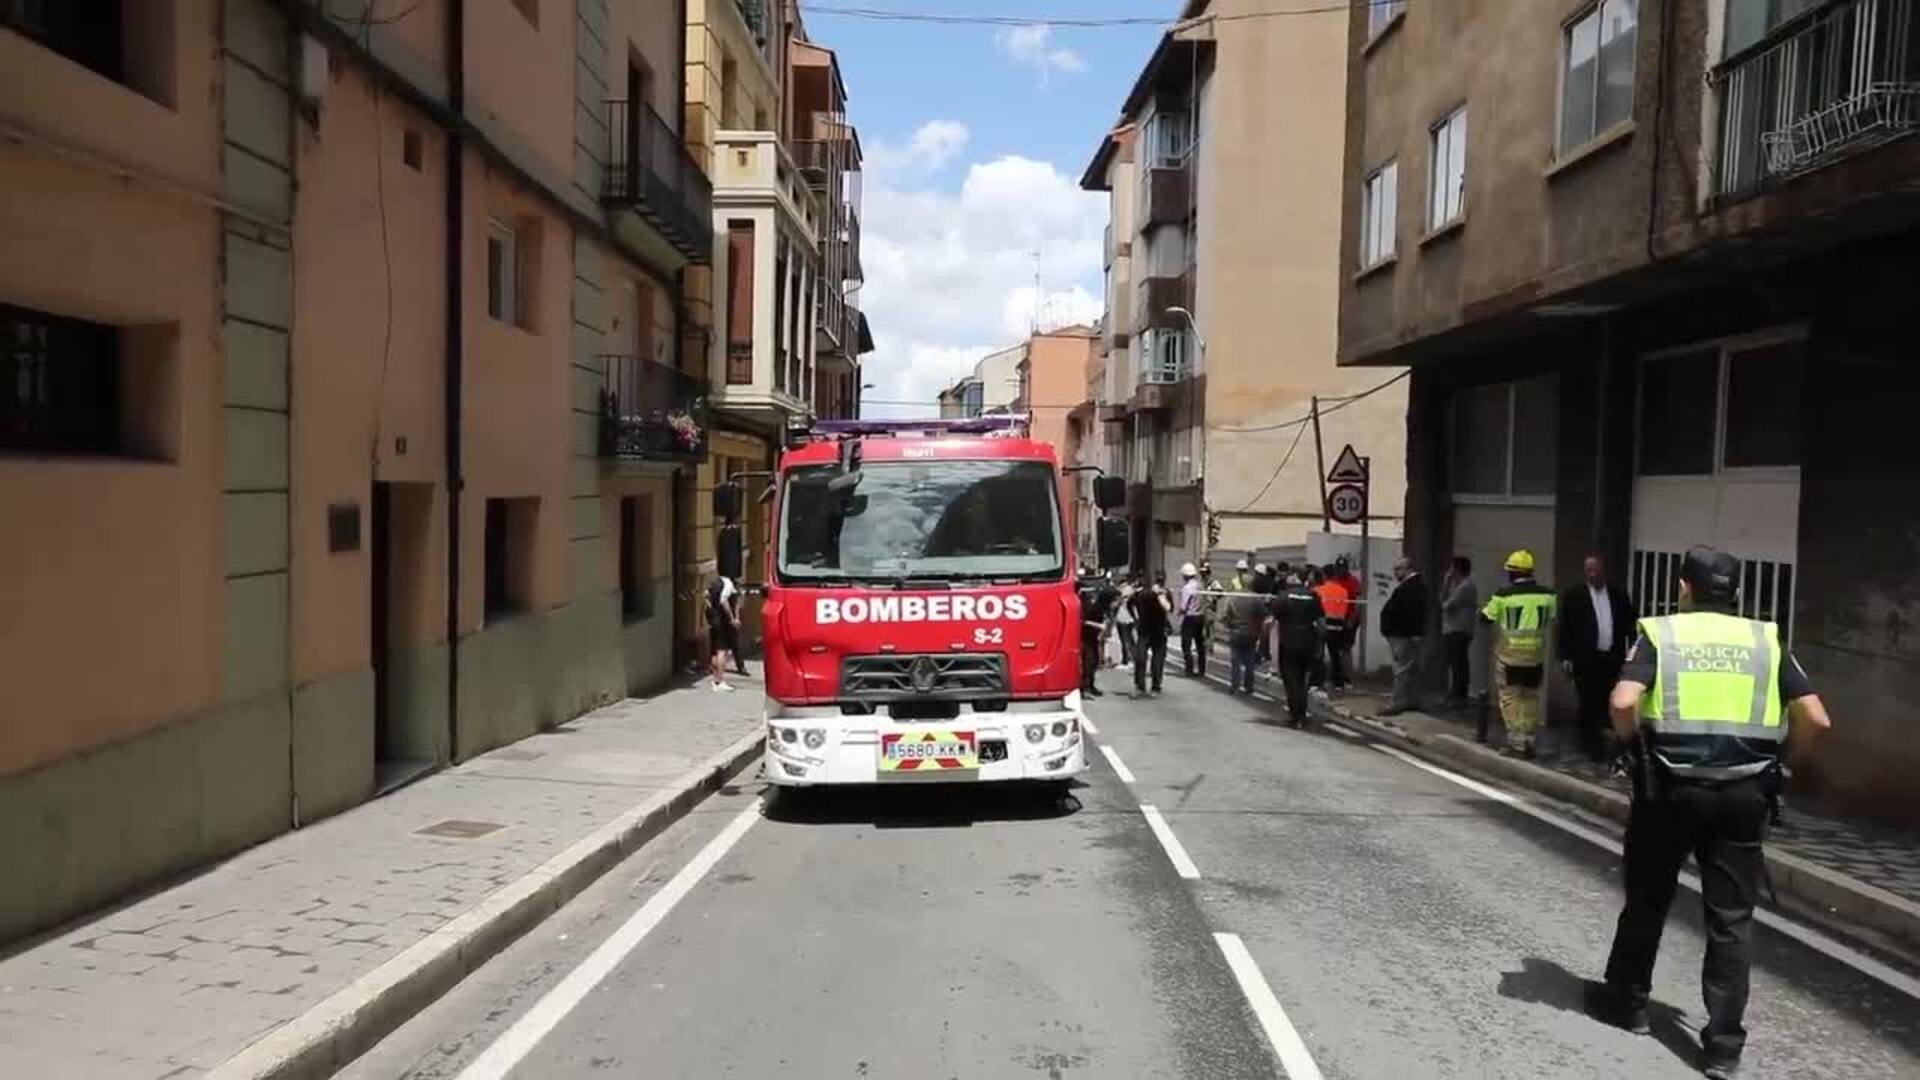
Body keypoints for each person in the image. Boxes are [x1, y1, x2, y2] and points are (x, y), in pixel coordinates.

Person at [1586, 548, 1830, 1080]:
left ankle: (1627, 1003)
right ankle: (1722, 1046)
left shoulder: (1661, 633)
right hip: (1744, 798)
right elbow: (1816, 717)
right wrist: (1783, 766)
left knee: (1649, 898)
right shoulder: (1765, 639)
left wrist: (1630, 748)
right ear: (1736, 593)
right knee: (1731, 920)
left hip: (1670, 792)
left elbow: (1624, 702)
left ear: (1684, 588)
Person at [1559, 553, 1639, 762]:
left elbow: (1629, 623)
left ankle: (1608, 744)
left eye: (1595, 570)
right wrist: (1565, 657)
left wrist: (1633, 650)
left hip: (1611, 658)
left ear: (1603, 571)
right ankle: (1589, 746)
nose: (1591, 574)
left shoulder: (1618, 594)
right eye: (1588, 571)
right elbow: (1565, 629)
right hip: (1585, 659)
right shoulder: (1574, 596)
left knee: (1609, 701)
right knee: (1587, 701)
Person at [1479, 549, 1556, 758]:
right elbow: (1553, 617)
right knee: (1531, 698)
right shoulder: (1548, 595)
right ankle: (1530, 739)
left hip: (1509, 656)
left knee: (1510, 699)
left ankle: (1516, 742)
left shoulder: (1503, 596)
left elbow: (1485, 617)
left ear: (1513, 573)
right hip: (1536, 657)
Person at [1272, 570, 1328, 727]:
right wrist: (1319, 645)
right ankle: (1302, 715)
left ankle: (1295, 715)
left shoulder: (1283, 596)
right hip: (1308, 643)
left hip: (1289, 644)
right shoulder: (1313, 596)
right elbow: (1322, 624)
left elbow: (1272, 616)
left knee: (1291, 680)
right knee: (1303, 680)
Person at [1379, 557, 1429, 716]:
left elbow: (1413, 613)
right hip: (1402, 634)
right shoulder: (1411, 586)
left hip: (1403, 635)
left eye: (1398, 569)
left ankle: (1398, 702)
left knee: (1402, 670)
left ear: (1407, 569)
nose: (1395, 573)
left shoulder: (1412, 587)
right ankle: (1410, 700)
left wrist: (1414, 632)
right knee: (1409, 669)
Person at [1440, 555, 1479, 708]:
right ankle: (1454, 695)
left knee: (1459, 665)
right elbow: (1441, 600)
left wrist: (1446, 582)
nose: (1449, 571)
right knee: (1454, 663)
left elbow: (1446, 605)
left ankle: (1459, 697)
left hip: (1460, 630)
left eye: (1451, 568)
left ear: (1457, 569)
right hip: (1453, 629)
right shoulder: (1457, 586)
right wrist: (1446, 584)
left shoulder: (1466, 587)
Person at [1221, 559, 1265, 694]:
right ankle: (1249, 686)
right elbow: (1262, 614)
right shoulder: (1257, 598)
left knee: (1236, 660)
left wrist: (1228, 624)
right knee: (1250, 660)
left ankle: (1234, 685)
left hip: (1236, 631)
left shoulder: (1233, 597)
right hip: (1251, 632)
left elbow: (1225, 615)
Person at [1130, 571, 1174, 697]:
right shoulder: (1141, 594)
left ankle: (1156, 686)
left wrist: (1161, 596)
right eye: (1157, 581)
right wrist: (1136, 619)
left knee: (1157, 661)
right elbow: (1130, 604)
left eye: (1161, 581)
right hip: (1144, 631)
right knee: (1140, 658)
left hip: (1159, 631)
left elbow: (1169, 608)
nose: (1159, 583)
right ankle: (1140, 686)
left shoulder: (1165, 594)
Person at [1078, 569, 1116, 698]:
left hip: (1094, 638)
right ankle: (1085, 688)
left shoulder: (1105, 609)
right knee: (1088, 662)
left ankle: (1091, 685)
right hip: (1085, 637)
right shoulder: (1093, 607)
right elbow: (1082, 621)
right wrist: (1098, 625)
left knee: (1094, 662)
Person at [1313, 566, 1353, 690]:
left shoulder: (1318, 590)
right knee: (1335, 654)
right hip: (1339, 624)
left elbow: (1314, 609)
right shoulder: (1343, 591)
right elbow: (1345, 609)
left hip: (1323, 623)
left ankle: (1317, 681)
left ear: (1324, 575)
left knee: (1319, 654)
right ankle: (1338, 682)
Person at [705, 570, 741, 692]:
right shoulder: (728, 584)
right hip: (722, 622)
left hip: (714, 622)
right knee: (722, 651)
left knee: (715, 651)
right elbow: (724, 600)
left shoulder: (715, 582)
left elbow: (706, 596)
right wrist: (732, 618)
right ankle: (719, 681)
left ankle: (715, 679)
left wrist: (711, 611)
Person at [1329, 556, 1364, 675]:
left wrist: (1352, 619)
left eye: (1343, 568)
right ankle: (1337, 675)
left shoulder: (1353, 581)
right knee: (1335, 649)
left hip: (1350, 617)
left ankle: (1347, 676)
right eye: (1339, 568)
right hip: (1336, 618)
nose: (1341, 571)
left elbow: (1359, 601)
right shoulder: (1334, 580)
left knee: (1346, 648)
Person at [1178, 562, 1208, 676]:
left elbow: (1183, 606)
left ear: (1185, 575)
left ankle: (1189, 669)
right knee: (1200, 644)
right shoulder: (1200, 585)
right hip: (1200, 616)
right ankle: (1202, 669)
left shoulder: (1186, 588)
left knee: (1186, 644)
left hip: (1190, 617)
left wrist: (1179, 613)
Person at [1113, 576, 1138, 671]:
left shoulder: (1121, 591)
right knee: (1130, 639)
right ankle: (1133, 659)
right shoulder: (1131, 590)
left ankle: (1127, 660)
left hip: (1122, 617)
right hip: (1130, 618)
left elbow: (1116, 604)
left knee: (1125, 640)